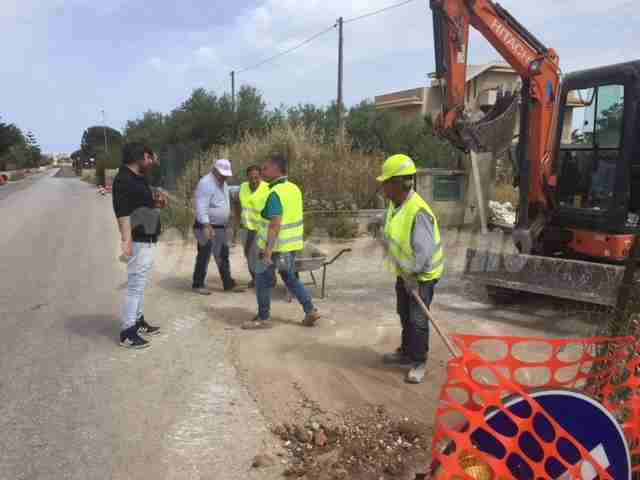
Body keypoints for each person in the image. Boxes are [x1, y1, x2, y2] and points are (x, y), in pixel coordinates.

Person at [377, 154, 444, 384]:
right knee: (404, 314)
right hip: (404, 272)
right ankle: (406, 353)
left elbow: (423, 254)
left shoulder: (419, 212)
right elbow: (394, 228)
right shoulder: (395, 204)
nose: (382, 186)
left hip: (421, 277)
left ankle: (419, 361)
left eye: (386, 181)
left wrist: (413, 277)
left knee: (418, 320)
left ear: (399, 183)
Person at [243, 153, 320, 330]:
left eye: (265, 168)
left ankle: (264, 318)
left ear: (276, 169)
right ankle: (310, 310)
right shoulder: (294, 188)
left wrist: (268, 251)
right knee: (289, 277)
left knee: (262, 279)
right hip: (290, 245)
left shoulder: (275, 192)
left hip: (275, 247)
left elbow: (275, 223)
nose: (262, 171)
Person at [112, 142, 164, 349]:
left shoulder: (138, 177)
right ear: (140, 157)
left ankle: (138, 321)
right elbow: (122, 213)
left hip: (148, 237)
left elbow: (144, 203)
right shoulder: (124, 179)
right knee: (135, 286)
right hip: (138, 240)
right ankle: (127, 331)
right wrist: (127, 242)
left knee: (140, 284)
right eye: (149, 158)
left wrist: (157, 203)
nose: (152, 161)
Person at [192, 158, 243, 294]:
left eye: (226, 175)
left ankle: (228, 284)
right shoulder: (206, 183)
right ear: (214, 170)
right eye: (222, 174)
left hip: (219, 226)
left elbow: (225, 194)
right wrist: (207, 226)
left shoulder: (222, 182)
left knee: (222, 254)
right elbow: (201, 207)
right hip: (206, 225)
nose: (224, 177)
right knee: (204, 254)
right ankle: (198, 284)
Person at [239, 165, 270, 288]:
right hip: (246, 228)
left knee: (260, 255)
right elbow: (235, 200)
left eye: (256, 178)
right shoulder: (243, 187)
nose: (254, 181)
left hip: (261, 229)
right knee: (248, 254)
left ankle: (265, 280)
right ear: (247, 177)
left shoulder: (267, 189)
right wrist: (237, 219)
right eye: (251, 178)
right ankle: (255, 278)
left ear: (261, 177)